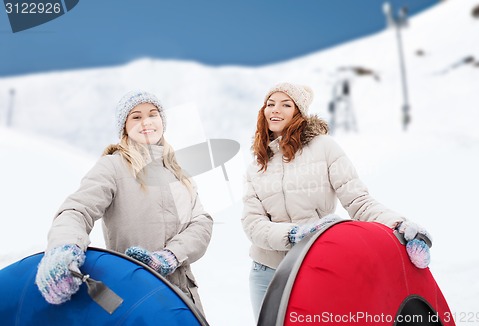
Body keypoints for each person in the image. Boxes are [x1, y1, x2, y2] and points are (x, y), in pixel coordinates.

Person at [242, 82, 432, 320]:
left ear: (298, 112)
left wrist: (399, 225)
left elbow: (359, 202)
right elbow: (253, 224)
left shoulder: (324, 148)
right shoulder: (257, 165)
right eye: (270, 104)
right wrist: (295, 234)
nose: (275, 110)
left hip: (311, 265)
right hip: (266, 272)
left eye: (285, 104)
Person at [35, 90, 213, 314]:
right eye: (136, 117)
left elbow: (201, 223)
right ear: (125, 127)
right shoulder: (113, 167)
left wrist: (169, 256)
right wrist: (63, 247)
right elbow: (77, 210)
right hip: (134, 293)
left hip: (185, 298)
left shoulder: (179, 173)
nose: (146, 122)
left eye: (153, 114)